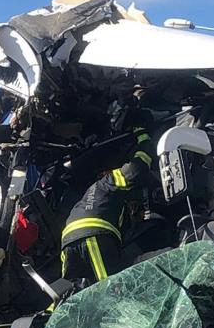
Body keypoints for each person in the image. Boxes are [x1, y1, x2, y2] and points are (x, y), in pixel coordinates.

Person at [60, 111, 154, 285]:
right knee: (110, 290)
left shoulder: (91, 194)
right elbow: (137, 168)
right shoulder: (108, 182)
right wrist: (144, 139)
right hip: (93, 233)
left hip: (68, 241)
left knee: (76, 293)